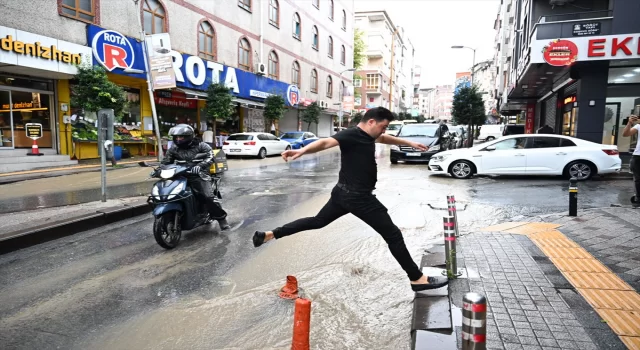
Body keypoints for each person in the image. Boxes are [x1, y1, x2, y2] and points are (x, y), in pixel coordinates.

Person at [252, 107, 449, 291]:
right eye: (383, 126)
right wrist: (302, 150)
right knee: (393, 235)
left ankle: (270, 234)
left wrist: (409, 143)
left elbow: (384, 139)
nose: (383, 131)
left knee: (318, 221)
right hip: (359, 197)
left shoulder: (367, 136)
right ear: (371, 122)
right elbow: (325, 142)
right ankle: (417, 279)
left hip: (342, 193)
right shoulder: (351, 134)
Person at [163, 124, 230, 229]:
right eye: (176, 137)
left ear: (189, 136)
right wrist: (160, 169)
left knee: (208, 197)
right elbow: (166, 162)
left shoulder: (201, 146)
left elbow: (210, 157)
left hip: (199, 175)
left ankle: (221, 219)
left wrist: (200, 166)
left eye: (181, 137)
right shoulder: (174, 149)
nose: (178, 139)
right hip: (180, 175)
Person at [622, 114, 640, 208]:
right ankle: (638, 199)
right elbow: (625, 134)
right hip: (638, 156)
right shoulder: (639, 126)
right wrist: (629, 123)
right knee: (638, 179)